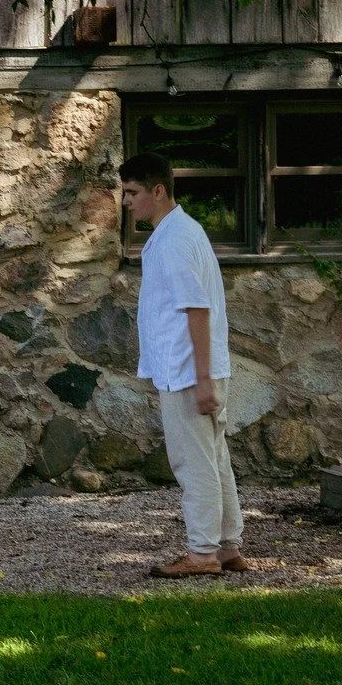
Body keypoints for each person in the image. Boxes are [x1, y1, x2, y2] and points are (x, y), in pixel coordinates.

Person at [118, 152, 249, 579]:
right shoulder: (181, 231)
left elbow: (197, 309)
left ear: (158, 190)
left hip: (188, 370)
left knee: (193, 462)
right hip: (193, 368)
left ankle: (202, 553)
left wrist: (202, 378)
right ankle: (227, 546)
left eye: (132, 192)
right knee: (213, 457)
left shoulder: (175, 239)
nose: (126, 202)